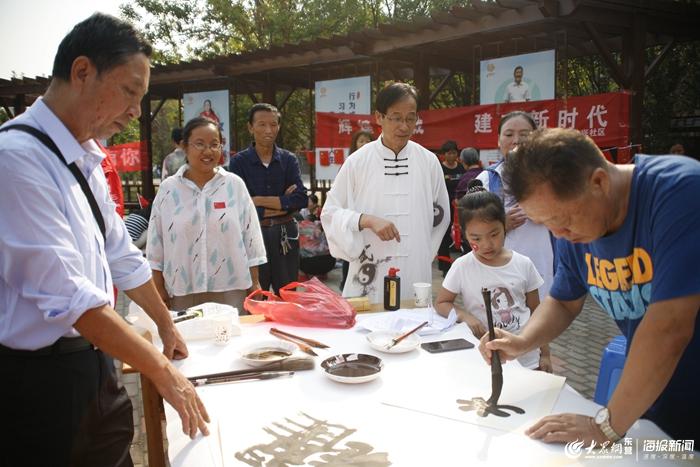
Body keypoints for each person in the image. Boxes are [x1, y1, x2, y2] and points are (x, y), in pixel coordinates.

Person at [0, 13, 209, 467]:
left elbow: (121, 253)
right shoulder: (16, 160)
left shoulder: (82, 155)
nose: (136, 111)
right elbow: (71, 298)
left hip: (97, 366)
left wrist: (166, 325)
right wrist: (161, 370)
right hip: (42, 385)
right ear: (81, 72)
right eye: (130, 92)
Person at [479, 128, 700, 445]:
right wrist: (521, 341)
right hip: (659, 390)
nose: (559, 233)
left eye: (562, 219)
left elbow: (670, 328)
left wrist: (605, 426)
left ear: (598, 182)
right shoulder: (576, 229)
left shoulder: (679, 191)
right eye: (547, 224)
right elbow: (564, 302)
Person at [321, 82, 450, 304]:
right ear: (379, 117)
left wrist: (421, 252)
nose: (404, 126)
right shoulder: (357, 162)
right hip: (370, 263)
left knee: (414, 328)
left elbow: (440, 214)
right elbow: (330, 213)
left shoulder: (428, 162)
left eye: (410, 118)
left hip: (414, 267)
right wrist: (366, 220)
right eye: (396, 118)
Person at [148, 117, 266, 313]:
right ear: (185, 147)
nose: (208, 151)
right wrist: (157, 287)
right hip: (182, 290)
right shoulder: (168, 189)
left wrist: (254, 283)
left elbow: (251, 237)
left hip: (231, 288)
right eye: (200, 144)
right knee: (188, 341)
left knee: (231, 340)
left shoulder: (234, 185)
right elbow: (155, 243)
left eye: (214, 144)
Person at [435, 181, 551, 371]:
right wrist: (465, 316)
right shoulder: (462, 266)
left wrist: (545, 354)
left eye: (494, 234)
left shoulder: (524, 264)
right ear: (465, 235)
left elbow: (537, 313)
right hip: (485, 360)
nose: (487, 244)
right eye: (476, 239)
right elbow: (441, 303)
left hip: (528, 360)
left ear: (504, 226)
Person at [230, 103, 308, 294]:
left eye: (273, 125)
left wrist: (257, 200)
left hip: (285, 235)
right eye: (262, 124)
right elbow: (240, 207)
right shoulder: (239, 162)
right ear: (250, 127)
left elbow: (300, 199)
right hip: (254, 235)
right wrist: (282, 203)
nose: (268, 130)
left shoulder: (288, 159)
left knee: (288, 295)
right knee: (256, 296)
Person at [476, 111, 554, 300]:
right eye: (509, 134)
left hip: (543, 270)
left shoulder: (553, 177)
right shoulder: (486, 180)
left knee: (541, 323)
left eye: (524, 135)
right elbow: (472, 232)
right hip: (499, 274)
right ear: (498, 140)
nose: (516, 140)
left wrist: (546, 213)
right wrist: (502, 224)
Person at [340, 129, 375, 290]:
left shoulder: (378, 165)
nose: (364, 144)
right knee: (353, 253)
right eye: (361, 141)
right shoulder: (350, 164)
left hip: (374, 218)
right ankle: (347, 284)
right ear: (354, 144)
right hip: (355, 219)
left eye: (368, 141)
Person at [437, 140, 466, 276]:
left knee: (464, 236)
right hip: (445, 207)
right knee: (444, 236)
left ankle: (465, 265)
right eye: (448, 153)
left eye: (454, 153)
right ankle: (445, 266)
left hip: (461, 207)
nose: (451, 155)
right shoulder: (439, 169)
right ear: (444, 155)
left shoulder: (461, 168)